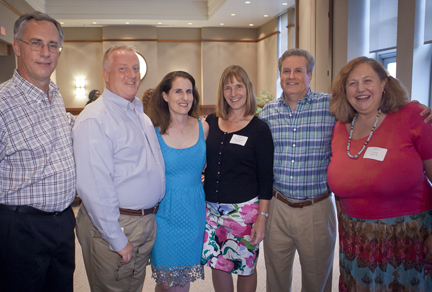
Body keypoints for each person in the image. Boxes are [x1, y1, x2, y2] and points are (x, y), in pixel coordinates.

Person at [260, 48, 432, 292]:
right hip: (279, 206)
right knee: (275, 278)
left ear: (310, 74)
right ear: (279, 75)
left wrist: (414, 106)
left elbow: (386, 110)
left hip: (316, 208)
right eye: (286, 70)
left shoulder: (332, 109)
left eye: (298, 70)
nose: (291, 76)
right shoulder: (267, 113)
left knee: (317, 280)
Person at [327, 56, 432, 291]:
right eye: (352, 83)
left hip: (408, 243)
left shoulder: (414, 117)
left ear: (384, 83)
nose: (360, 89)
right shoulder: (340, 127)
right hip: (357, 246)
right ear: (344, 90)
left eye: (367, 80)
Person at [72, 45, 165, 292]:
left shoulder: (138, 113)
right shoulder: (96, 118)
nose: (131, 74)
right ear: (105, 74)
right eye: (122, 68)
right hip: (115, 225)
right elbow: (94, 187)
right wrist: (116, 238)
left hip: (143, 222)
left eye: (135, 68)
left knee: (132, 287)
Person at [0, 11, 76, 292]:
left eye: (53, 45)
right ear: (17, 47)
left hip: (63, 224)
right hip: (20, 229)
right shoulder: (3, 103)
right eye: (36, 43)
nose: (46, 52)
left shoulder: (55, 94)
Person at [201, 65, 274, 292]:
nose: (233, 93)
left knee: (245, 265)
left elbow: (266, 177)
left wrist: (262, 217)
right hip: (211, 211)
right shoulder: (210, 122)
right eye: (228, 87)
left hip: (244, 213)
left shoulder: (259, 129)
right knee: (218, 263)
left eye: (239, 86)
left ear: (248, 88)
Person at [147, 71, 209, 291]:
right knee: (165, 282)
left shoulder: (204, 127)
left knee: (182, 282)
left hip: (193, 211)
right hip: (164, 213)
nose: (185, 97)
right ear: (165, 95)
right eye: (178, 91)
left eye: (189, 91)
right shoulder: (152, 131)